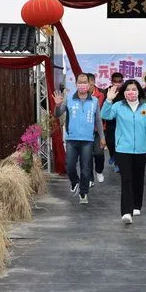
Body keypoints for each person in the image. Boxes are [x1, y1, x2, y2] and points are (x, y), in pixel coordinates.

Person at [101, 80, 146, 224]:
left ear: (139, 91)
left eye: (134, 89)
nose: (131, 92)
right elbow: (105, 115)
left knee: (138, 178)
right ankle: (126, 211)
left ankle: (137, 205)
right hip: (123, 149)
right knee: (126, 179)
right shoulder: (118, 106)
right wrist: (108, 100)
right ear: (124, 92)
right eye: (128, 89)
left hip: (141, 149)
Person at [53, 73, 105, 204]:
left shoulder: (94, 101)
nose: (82, 85)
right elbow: (57, 114)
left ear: (89, 84)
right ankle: (74, 181)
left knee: (86, 168)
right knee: (70, 165)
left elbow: (98, 120)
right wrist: (58, 105)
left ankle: (83, 192)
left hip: (88, 140)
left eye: (84, 82)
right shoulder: (69, 99)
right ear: (76, 84)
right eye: (80, 82)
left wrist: (102, 137)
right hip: (72, 139)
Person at [86, 72, 105, 186]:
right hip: (85, 130)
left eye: (86, 82)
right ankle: (89, 178)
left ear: (92, 82)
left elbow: (99, 113)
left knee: (98, 153)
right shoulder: (79, 96)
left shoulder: (101, 95)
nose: (84, 85)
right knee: (87, 155)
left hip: (98, 129)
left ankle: (99, 170)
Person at [103, 72, 124, 173]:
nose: (117, 84)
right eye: (115, 82)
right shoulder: (107, 91)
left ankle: (118, 163)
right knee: (110, 142)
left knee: (119, 143)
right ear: (111, 82)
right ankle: (112, 156)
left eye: (119, 82)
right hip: (110, 121)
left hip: (122, 122)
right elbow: (104, 105)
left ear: (122, 82)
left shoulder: (125, 91)